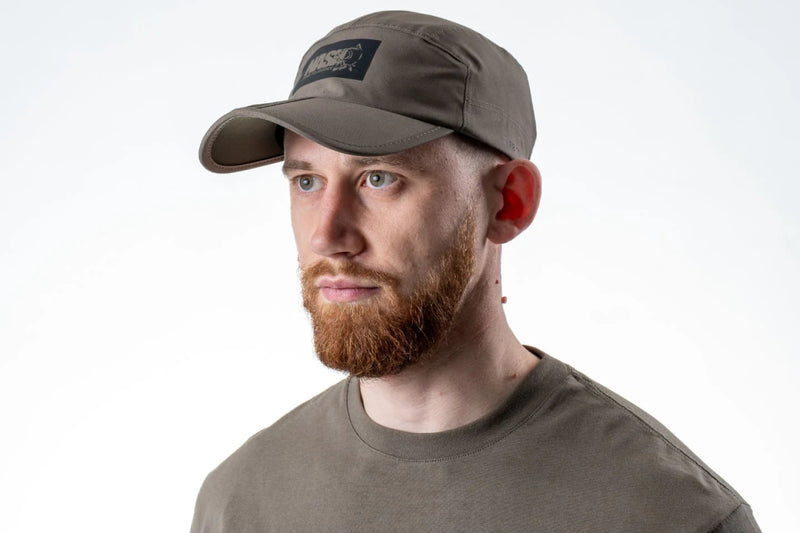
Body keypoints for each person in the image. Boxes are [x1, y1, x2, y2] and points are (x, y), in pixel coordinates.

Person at [191, 10, 759, 532]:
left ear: (508, 202)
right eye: (307, 181)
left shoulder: (673, 516)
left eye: (380, 178)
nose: (327, 236)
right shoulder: (240, 501)